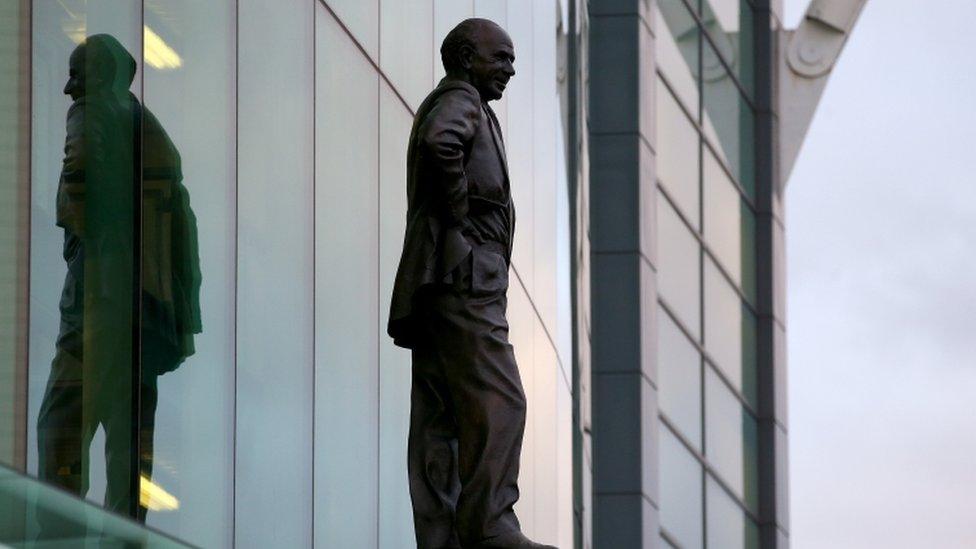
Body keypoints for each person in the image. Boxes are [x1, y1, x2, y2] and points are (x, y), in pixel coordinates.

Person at [388, 18, 556, 549]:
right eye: (500, 58)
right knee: (500, 400)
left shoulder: (466, 103)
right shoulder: (459, 100)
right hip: (463, 275)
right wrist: (462, 224)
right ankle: (490, 525)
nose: (510, 69)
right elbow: (443, 143)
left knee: (442, 413)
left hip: (447, 278)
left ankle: (442, 533)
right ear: (465, 57)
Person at [36, 33, 200, 526]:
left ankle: (55, 533)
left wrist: (90, 245)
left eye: (78, 74)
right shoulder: (146, 128)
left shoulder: (95, 110)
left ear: (100, 76)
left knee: (61, 423)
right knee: (129, 441)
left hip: (100, 298)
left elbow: (80, 172)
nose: (69, 89)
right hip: (146, 310)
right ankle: (124, 535)